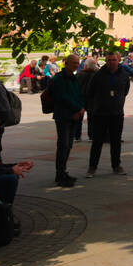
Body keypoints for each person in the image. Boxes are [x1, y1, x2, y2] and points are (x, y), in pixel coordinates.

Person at [85, 51, 131, 175]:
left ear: (118, 60)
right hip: (100, 113)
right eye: (109, 60)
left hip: (117, 113)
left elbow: (125, 91)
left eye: (114, 60)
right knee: (97, 141)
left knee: (116, 141)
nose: (111, 62)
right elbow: (90, 92)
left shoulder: (124, 75)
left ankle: (116, 165)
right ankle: (92, 167)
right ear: (106, 61)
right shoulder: (98, 75)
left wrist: (118, 101)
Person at [48, 53, 84, 187]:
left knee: (68, 145)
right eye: (73, 63)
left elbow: (79, 94)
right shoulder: (59, 78)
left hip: (74, 115)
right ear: (66, 63)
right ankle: (60, 173)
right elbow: (62, 97)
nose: (76, 65)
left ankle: (63, 171)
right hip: (63, 116)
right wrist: (76, 108)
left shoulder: (73, 77)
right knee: (63, 145)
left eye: (77, 63)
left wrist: (81, 107)